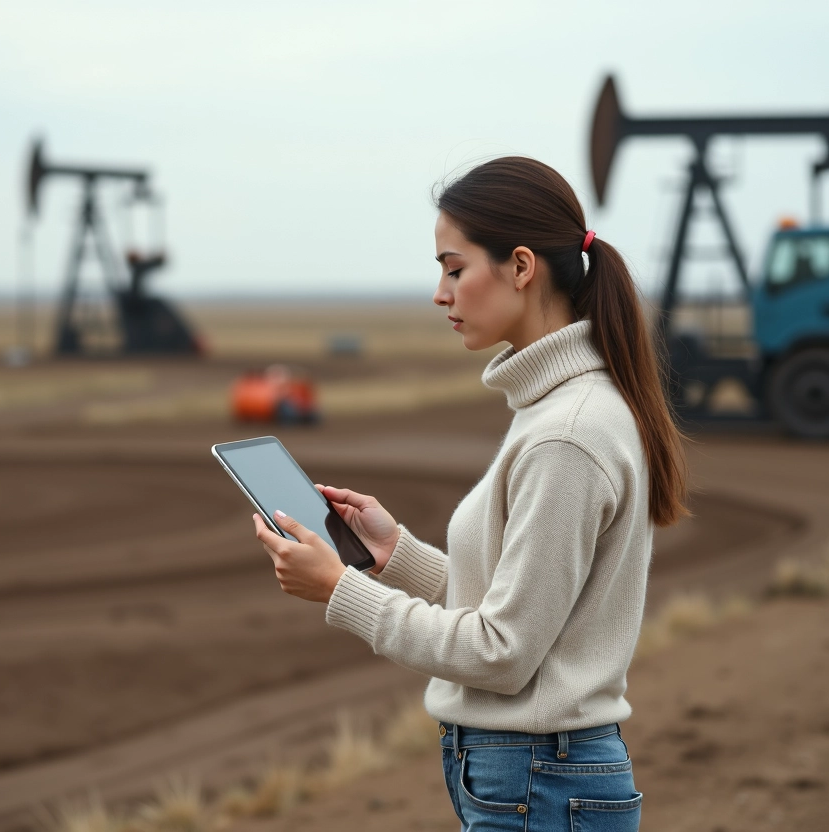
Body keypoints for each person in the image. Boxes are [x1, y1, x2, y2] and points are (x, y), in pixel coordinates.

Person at [251, 156, 688, 831]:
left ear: (520, 266)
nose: (439, 292)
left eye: (454, 268)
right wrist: (396, 552)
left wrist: (343, 590)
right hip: (534, 776)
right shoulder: (561, 411)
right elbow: (526, 601)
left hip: (539, 778)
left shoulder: (565, 434)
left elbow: (504, 651)